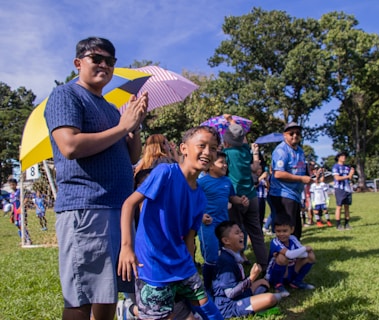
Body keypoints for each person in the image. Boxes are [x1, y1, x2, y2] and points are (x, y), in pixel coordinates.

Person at [44, 36, 148, 320]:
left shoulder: (111, 108)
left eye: (110, 61)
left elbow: (131, 156)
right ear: (79, 63)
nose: (104, 65)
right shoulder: (66, 95)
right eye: (96, 58)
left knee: (109, 291)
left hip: (118, 208)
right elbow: (70, 146)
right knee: (82, 296)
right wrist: (122, 126)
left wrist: (134, 126)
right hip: (87, 208)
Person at [118, 125, 223, 320]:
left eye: (214, 148)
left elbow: (190, 239)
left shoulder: (200, 196)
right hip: (152, 264)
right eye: (202, 145)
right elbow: (129, 204)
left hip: (182, 264)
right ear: (184, 148)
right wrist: (126, 247)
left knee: (209, 310)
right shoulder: (165, 173)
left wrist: (190, 267)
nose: (208, 152)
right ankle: (130, 310)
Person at [197, 151, 249, 292]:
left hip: (223, 224)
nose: (225, 165)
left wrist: (241, 200)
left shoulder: (227, 181)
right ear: (211, 165)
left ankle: (224, 282)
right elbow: (191, 201)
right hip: (207, 225)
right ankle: (208, 289)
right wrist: (200, 215)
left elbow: (232, 198)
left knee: (226, 253)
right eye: (221, 162)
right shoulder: (201, 182)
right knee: (212, 256)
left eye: (226, 162)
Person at [222, 114, 269, 270]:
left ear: (226, 141)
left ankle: (237, 264)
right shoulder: (245, 151)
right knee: (256, 232)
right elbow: (240, 136)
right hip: (252, 196)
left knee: (234, 232)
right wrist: (231, 121)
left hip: (236, 197)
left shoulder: (227, 155)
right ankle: (264, 262)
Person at [212, 221, 284, 318]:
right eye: (237, 233)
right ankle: (255, 308)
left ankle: (254, 303)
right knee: (271, 298)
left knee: (263, 283)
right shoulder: (226, 262)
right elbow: (230, 294)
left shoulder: (232, 255)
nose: (242, 235)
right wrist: (251, 278)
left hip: (239, 294)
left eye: (241, 232)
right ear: (226, 241)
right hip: (227, 305)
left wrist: (253, 281)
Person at [268, 122, 313, 240]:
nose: (294, 136)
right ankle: (284, 255)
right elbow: (278, 173)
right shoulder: (281, 150)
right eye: (291, 133)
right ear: (284, 135)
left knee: (296, 229)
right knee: (287, 230)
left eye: (297, 133)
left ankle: (295, 254)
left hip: (295, 195)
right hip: (282, 194)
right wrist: (301, 179)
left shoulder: (300, 151)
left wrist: (311, 177)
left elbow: (302, 170)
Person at [265, 215, 316, 296]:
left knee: (310, 255)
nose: (281, 234)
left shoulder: (293, 238)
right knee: (282, 256)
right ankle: (278, 285)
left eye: (285, 231)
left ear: (292, 230)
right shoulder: (275, 241)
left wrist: (299, 252)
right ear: (274, 230)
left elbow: (304, 254)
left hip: (290, 270)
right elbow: (290, 254)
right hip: (274, 274)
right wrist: (305, 248)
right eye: (278, 231)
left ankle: (296, 281)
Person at [332, 151, 355, 230]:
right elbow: (337, 178)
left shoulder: (347, 167)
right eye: (342, 156)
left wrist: (351, 173)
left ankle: (347, 224)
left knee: (347, 207)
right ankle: (338, 224)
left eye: (345, 156)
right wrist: (348, 176)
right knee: (339, 206)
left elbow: (350, 178)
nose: (344, 157)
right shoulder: (336, 166)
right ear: (338, 157)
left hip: (347, 188)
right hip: (339, 188)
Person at [8, 178, 32, 245]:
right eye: (10, 185)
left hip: (21, 211)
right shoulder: (11, 195)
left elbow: (26, 198)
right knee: (17, 225)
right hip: (15, 212)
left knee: (22, 225)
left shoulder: (19, 192)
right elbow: (12, 204)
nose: (12, 186)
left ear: (16, 184)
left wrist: (21, 207)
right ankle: (23, 240)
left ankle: (28, 240)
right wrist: (11, 214)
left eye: (13, 184)